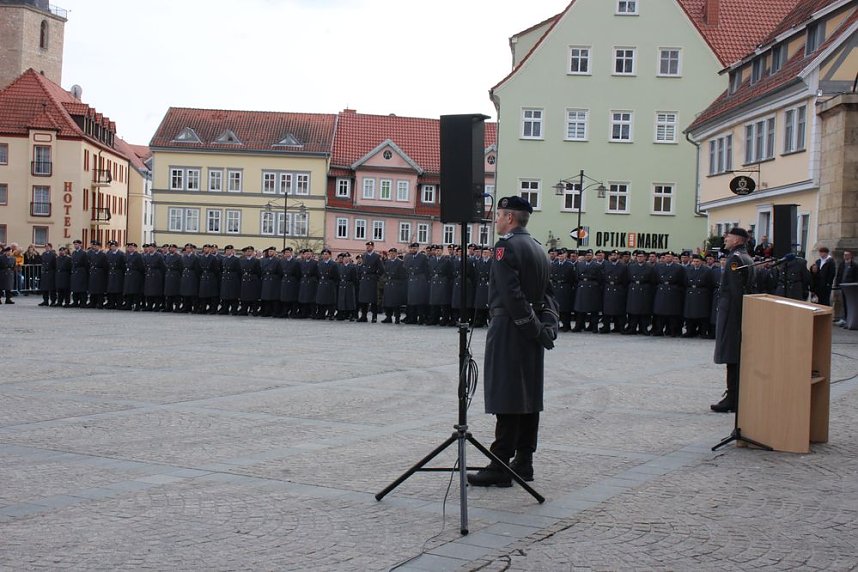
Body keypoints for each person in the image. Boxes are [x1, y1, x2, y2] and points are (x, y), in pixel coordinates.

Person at [468, 196, 559, 488]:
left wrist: (531, 328)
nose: (496, 221)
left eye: (499, 216)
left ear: (509, 218)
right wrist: (546, 327)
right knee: (528, 396)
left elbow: (511, 295)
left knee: (508, 395)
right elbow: (549, 296)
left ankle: (500, 464)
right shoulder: (538, 248)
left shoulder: (505, 247)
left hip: (510, 326)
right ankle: (524, 460)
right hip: (530, 329)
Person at [711, 227, 756, 413]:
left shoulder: (735, 259)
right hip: (735, 313)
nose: (725, 238)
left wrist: (737, 317)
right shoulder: (744, 257)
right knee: (733, 356)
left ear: (737, 240)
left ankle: (732, 397)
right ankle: (734, 395)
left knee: (731, 355)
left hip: (733, 315)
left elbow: (737, 291)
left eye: (728, 236)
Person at [835, 251, 858, 326]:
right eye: (844, 255)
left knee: (849, 303)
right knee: (843, 303)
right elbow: (838, 275)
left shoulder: (854, 265)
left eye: (847, 255)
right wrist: (837, 285)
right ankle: (843, 319)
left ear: (851, 256)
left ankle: (848, 319)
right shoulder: (842, 264)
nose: (845, 256)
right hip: (842, 286)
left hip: (850, 288)